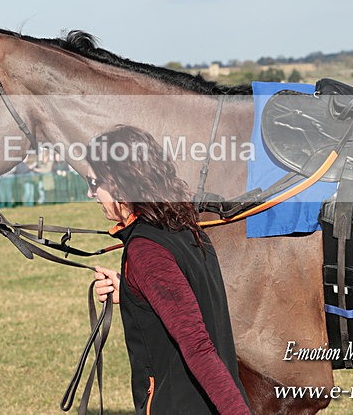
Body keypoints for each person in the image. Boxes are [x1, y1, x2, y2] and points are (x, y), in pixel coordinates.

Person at [88, 125, 250, 415]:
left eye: (94, 182)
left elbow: (196, 344)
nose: (91, 193)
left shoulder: (146, 250)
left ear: (118, 182)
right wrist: (130, 291)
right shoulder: (184, 230)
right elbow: (186, 298)